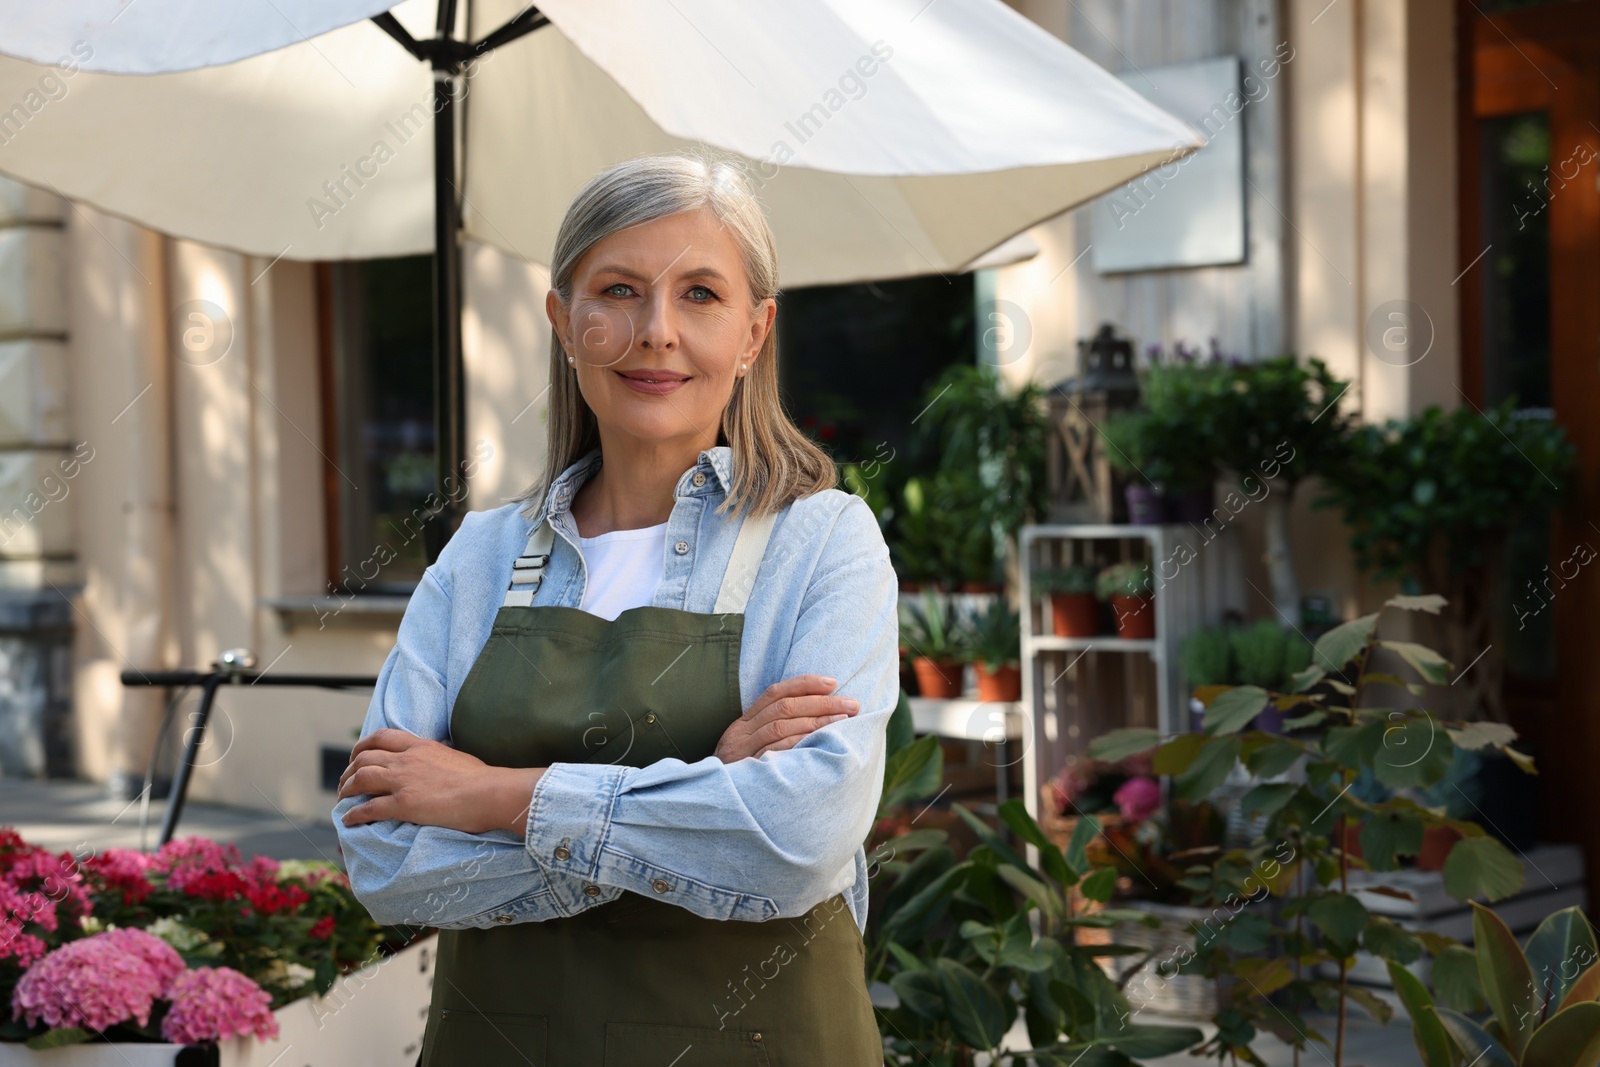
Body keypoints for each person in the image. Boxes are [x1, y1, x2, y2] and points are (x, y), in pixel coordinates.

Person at [331, 152, 897, 1065]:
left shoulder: (823, 543)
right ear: (564, 321)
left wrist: (492, 796)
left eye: (702, 294)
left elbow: (797, 837)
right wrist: (703, 796)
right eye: (620, 290)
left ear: (756, 332)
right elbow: (386, 859)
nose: (656, 332)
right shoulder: (480, 556)